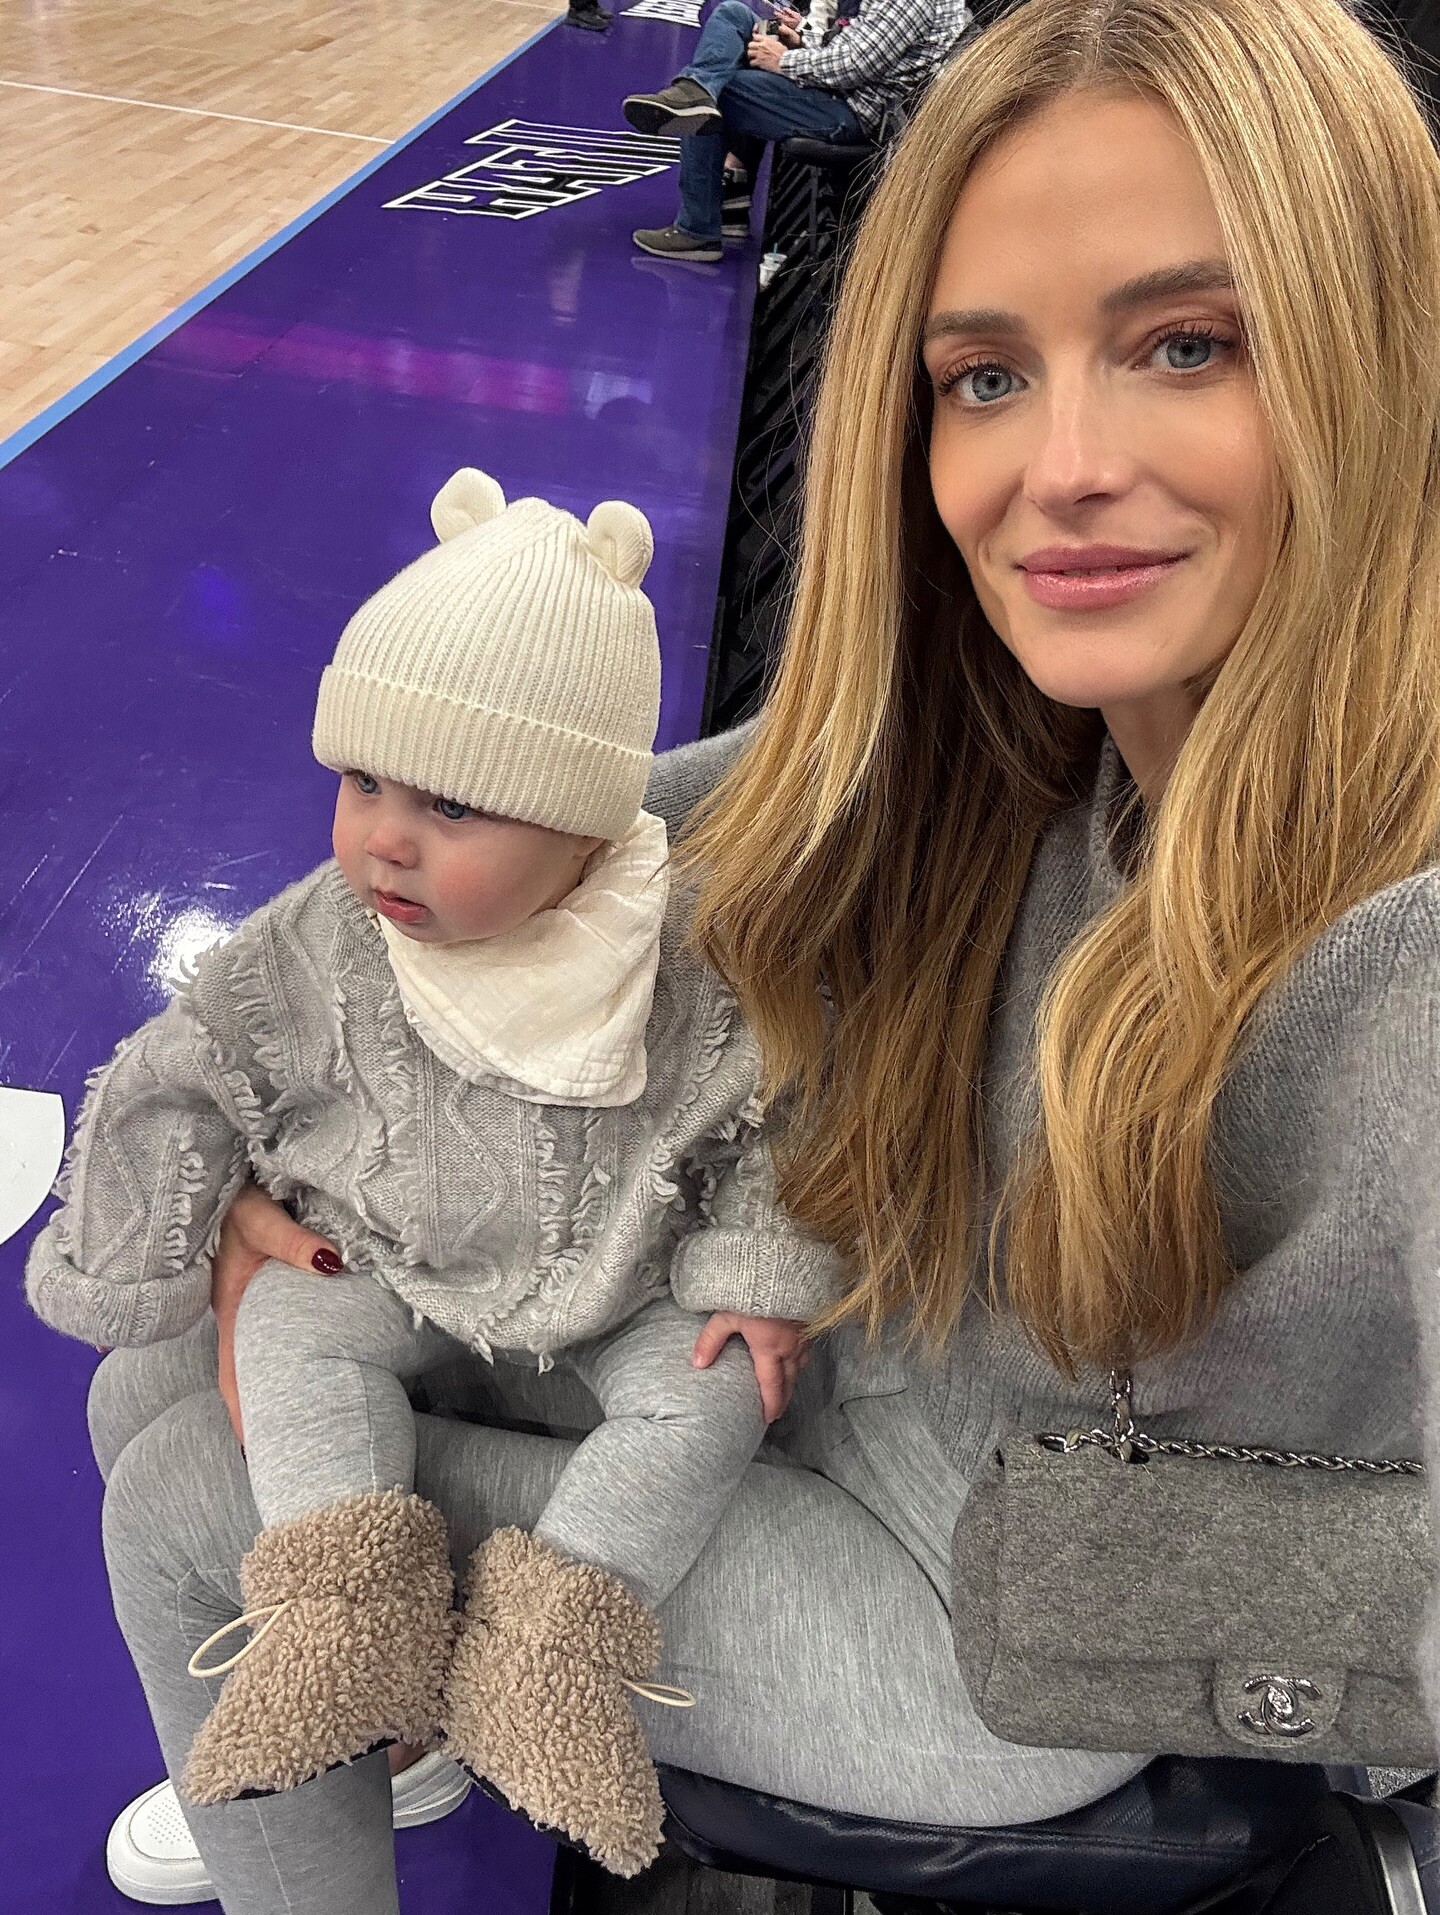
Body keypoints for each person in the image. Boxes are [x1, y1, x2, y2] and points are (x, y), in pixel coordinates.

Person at [75, 0, 1440, 1905]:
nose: (1060, 465)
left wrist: (1306, 1702)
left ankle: (336, 1740)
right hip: (842, 1355)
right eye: (985, 374)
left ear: (1376, 349)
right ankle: (373, 1730)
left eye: (1186, 344)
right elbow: (575, 825)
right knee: (159, 1363)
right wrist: (272, 1125)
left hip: (1002, 1622)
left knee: (185, 1494)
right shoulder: (1013, 728)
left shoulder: (1399, 944)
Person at [30, 471, 841, 1882]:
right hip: (392, 1257)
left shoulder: (684, 948)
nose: (384, 839)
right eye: (362, 782)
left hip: (625, 1275)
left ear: (586, 829)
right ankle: (349, 1632)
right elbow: (195, 1060)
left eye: (454, 804)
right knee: (287, 1325)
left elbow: (787, 1100)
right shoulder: (327, 932)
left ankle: (550, 1649)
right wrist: (159, 1237)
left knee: (713, 1387)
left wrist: (758, 1275)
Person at [623, 0, 970, 261]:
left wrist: (783, 60)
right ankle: (695, 90)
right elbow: (854, 45)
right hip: (843, 92)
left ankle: (697, 229)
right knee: (735, 14)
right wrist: (801, 35)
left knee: (718, 96)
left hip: (852, 113)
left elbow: (852, 65)